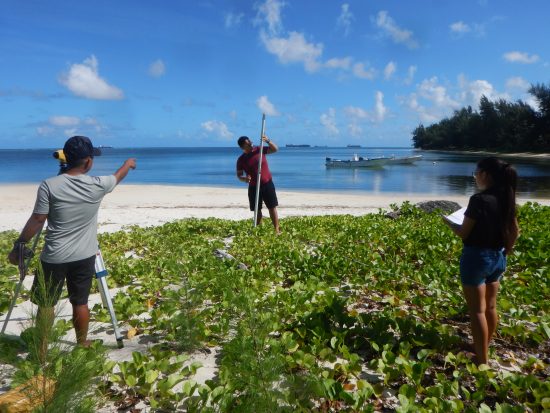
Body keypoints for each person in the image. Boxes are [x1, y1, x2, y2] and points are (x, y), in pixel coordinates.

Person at [8, 135, 136, 350]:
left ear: (65, 158)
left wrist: (19, 245)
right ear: (88, 161)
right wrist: (128, 164)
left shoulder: (49, 185)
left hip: (54, 257)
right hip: (85, 255)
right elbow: (117, 176)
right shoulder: (98, 185)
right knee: (80, 302)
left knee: (47, 303)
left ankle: (42, 348)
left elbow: (38, 219)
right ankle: (82, 342)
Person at [442, 157, 519, 365]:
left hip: (476, 257)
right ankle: (483, 345)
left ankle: (481, 359)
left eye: (476, 172)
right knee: (490, 308)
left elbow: (464, 233)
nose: (475, 176)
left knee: (476, 311)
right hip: (498, 257)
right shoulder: (506, 198)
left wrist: (450, 223)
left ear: (485, 174)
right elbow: (515, 232)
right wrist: (506, 252)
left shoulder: (479, 200)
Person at [236, 135, 280, 233]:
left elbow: (275, 149)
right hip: (253, 187)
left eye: (250, 141)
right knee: (257, 210)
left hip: (267, 183)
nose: (251, 143)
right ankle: (258, 230)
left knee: (272, 207)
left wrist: (268, 140)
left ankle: (277, 229)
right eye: (248, 143)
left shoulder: (259, 150)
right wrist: (244, 179)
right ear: (243, 147)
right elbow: (239, 175)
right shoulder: (241, 159)